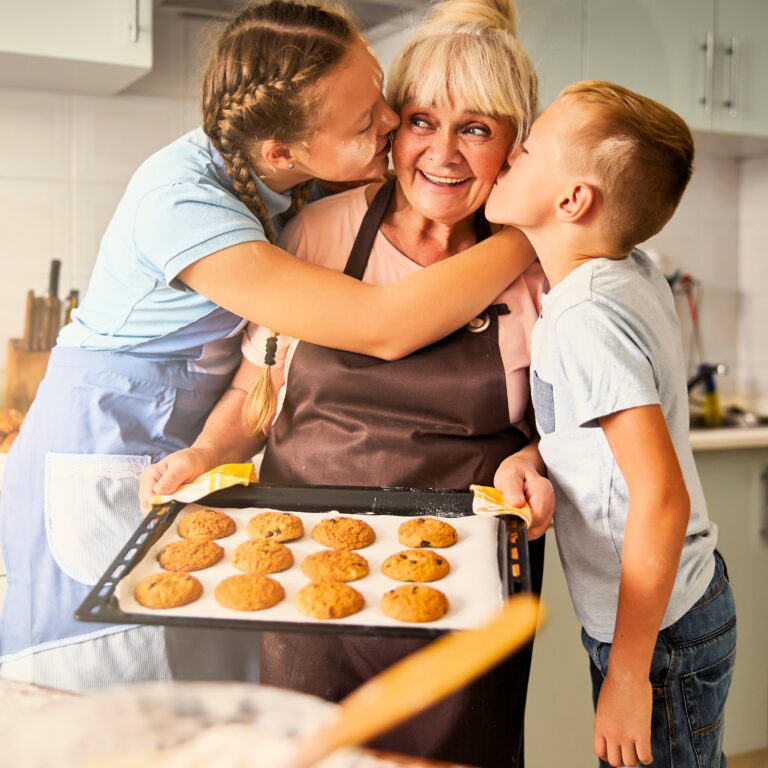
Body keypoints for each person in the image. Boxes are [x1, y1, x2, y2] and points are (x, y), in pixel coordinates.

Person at [0, 0, 536, 692]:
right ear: (285, 153)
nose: (392, 126)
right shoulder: (186, 202)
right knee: (107, 699)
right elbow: (380, 324)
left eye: (383, 99)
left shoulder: (278, 175)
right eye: (377, 122)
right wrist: (528, 235)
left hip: (185, 464)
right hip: (106, 447)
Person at [142, 0, 553, 764]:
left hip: (464, 590)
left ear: (514, 145)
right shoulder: (316, 232)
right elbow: (256, 390)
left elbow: (550, 432)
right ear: (393, 127)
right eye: (424, 120)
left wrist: (529, 460)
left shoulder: (537, 273)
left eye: (477, 128)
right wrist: (200, 456)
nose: (444, 153)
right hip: (304, 578)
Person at [485, 80, 736, 768]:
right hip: (670, 613)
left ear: (573, 201)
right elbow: (595, 431)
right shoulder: (625, 273)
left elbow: (659, 495)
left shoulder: (584, 316)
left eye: (526, 150)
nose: (507, 155)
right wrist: (534, 458)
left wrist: (628, 675)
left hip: (659, 637)